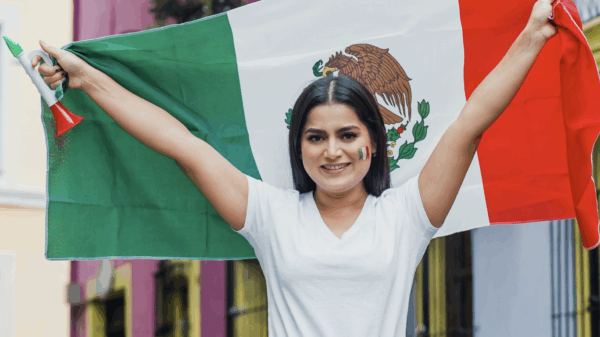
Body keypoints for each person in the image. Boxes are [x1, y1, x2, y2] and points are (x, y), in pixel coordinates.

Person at [34, 0, 556, 335]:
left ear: (372, 145)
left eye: (347, 135)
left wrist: (533, 35)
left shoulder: (407, 216)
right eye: (316, 137)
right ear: (299, 148)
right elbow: (181, 144)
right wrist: (85, 79)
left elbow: (468, 125)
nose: (333, 152)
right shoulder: (270, 216)